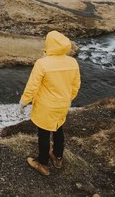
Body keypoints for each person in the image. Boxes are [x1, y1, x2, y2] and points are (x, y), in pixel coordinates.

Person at [19, 30, 80, 176]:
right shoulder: (72, 62)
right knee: (58, 130)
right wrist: (69, 99)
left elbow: (32, 86)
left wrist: (23, 101)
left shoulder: (42, 63)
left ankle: (42, 163)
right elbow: (75, 85)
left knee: (44, 134)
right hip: (62, 105)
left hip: (46, 106)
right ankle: (58, 158)